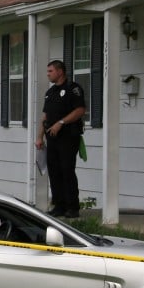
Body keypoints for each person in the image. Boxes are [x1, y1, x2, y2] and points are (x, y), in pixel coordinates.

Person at [35, 60, 86, 219]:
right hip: (52, 138)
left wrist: (61, 123)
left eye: (50, 71)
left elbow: (80, 110)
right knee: (54, 171)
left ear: (60, 72)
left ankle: (72, 207)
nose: (48, 74)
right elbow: (45, 116)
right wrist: (39, 137)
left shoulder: (73, 88)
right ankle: (59, 205)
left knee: (67, 170)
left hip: (68, 137)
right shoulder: (50, 92)